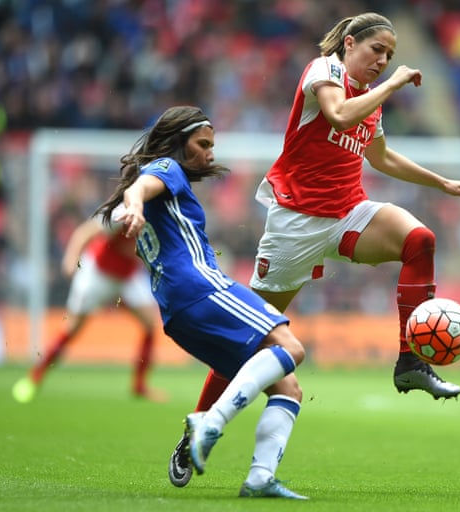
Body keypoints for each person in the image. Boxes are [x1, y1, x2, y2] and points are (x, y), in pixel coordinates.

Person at [168, 12, 460, 488]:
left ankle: (409, 362)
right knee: (249, 341)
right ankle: (197, 427)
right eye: (377, 50)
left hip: (348, 213)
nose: (383, 61)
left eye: (391, 57)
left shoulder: (370, 100)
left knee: (420, 240)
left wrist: (442, 182)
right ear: (350, 43)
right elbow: (337, 114)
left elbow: (380, 157)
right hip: (296, 224)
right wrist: (394, 84)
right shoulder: (325, 71)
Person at [95, 105, 309, 500]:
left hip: (176, 312)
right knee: (291, 348)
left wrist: (138, 208)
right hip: (202, 288)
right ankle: (207, 423)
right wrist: (137, 205)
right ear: (179, 144)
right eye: (203, 143)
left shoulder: (169, 182)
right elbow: (140, 187)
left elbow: (139, 191)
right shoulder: (166, 168)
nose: (210, 152)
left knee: (288, 388)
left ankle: (260, 478)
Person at [11, 215, 164, 403]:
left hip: (126, 277)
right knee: (72, 329)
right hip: (98, 274)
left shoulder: (161, 215)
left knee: (150, 324)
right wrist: (71, 258)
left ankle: (139, 386)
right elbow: (85, 232)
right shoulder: (124, 211)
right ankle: (34, 378)